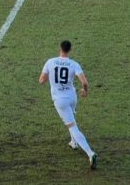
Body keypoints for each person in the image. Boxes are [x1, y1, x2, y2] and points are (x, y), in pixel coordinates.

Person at [39, 40, 97, 170]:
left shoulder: (50, 62)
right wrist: (85, 91)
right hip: (72, 97)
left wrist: (50, 75)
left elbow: (41, 80)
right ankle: (73, 142)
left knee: (72, 127)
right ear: (70, 50)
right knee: (71, 118)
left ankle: (90, 153)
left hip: (60, 100)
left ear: (60, 48)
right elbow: (85, 82)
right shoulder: (74, 64)